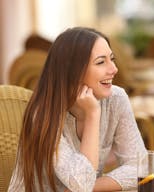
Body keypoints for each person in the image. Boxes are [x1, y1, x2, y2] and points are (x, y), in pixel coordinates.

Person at [9, 27, 147, 192]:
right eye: (101, 62)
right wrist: (93, 114)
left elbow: (141, 168)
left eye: (112, 59)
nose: (114, 69)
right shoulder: (43, 113)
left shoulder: (116, 99)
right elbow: (81, 184)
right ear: (74, 71)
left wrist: (92, 186)